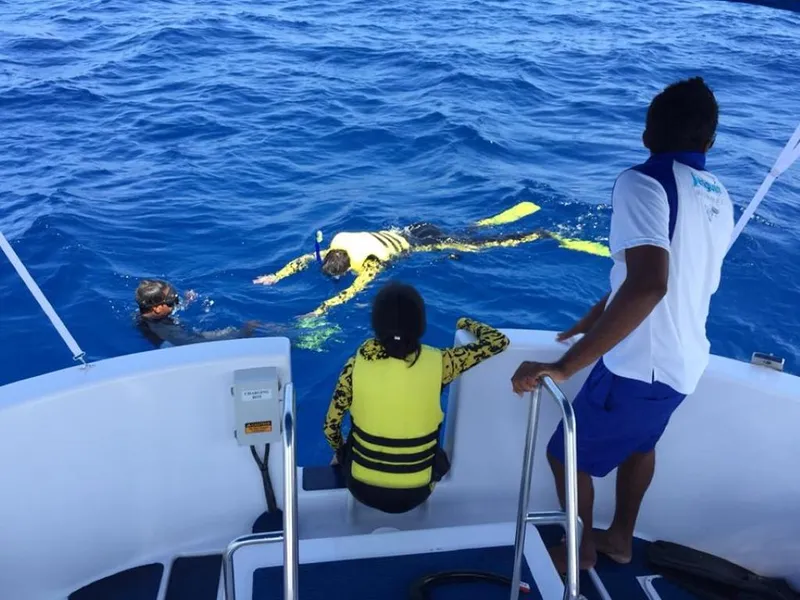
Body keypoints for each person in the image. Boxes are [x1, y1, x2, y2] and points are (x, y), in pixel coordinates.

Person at [510, 77, 734, 571]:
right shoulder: (718, 194)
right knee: (641, 444)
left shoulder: (641, 181)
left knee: (563, 453)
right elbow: (666, 272)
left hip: (638, 367)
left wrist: (566, 366)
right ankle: (620, 539)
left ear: (646, 134)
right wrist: (596, 315)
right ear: (709, 142)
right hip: (684, 363)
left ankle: (580, 549)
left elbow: (650, 284)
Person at [324, 281, 510, 514]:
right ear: (420, 325)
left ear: (375, 324)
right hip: (417, 492)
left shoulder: (354, 366)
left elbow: (330, 427)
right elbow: (498, 342)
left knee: (345, 443)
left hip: (361, 489)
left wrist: (341, 452)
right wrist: (464, 322)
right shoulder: (442, 364)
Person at [254, 201, 609, 317]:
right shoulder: (339, 242)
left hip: (424, 245)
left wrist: (322, 310)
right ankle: (493, 218)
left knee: (482, 245)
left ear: (343, 265)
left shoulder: (369, 264)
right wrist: (276, 275)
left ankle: (541, 235)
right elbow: (302, 260)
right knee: (468, 233)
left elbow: (353, 292)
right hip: (415, 226)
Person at [135, 279, 258, 347]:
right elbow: (195, 343)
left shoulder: (145, 313)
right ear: (157, 309)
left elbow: (168, 308)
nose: (177, 304)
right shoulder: (164, 330)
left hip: (180, 337)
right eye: (173, 301)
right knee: (230, 333)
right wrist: (243, 334)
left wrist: (188, 301)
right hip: (179, 344)